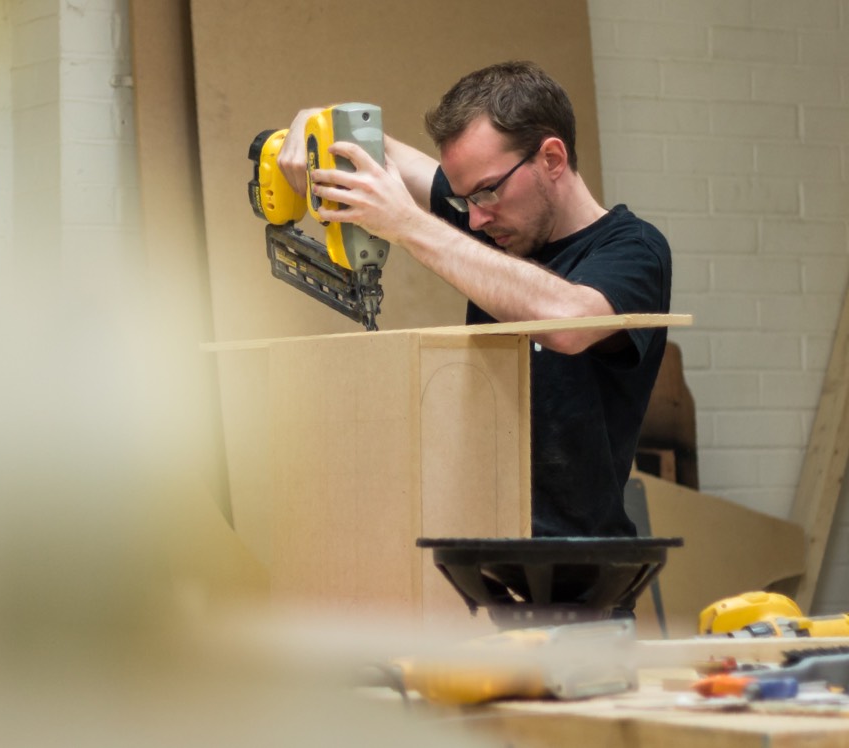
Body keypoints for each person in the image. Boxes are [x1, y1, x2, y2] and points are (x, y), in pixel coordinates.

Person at [278, 61, 672, 538]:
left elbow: (569, 321)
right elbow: (376, 146)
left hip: (575, 562)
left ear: (551, 158)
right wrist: (319, 122)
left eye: (486, 193)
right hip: (479, 549)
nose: (475, 220)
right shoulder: (489, 215)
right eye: (463, 200)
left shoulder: (633, 251)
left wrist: (407, 224)